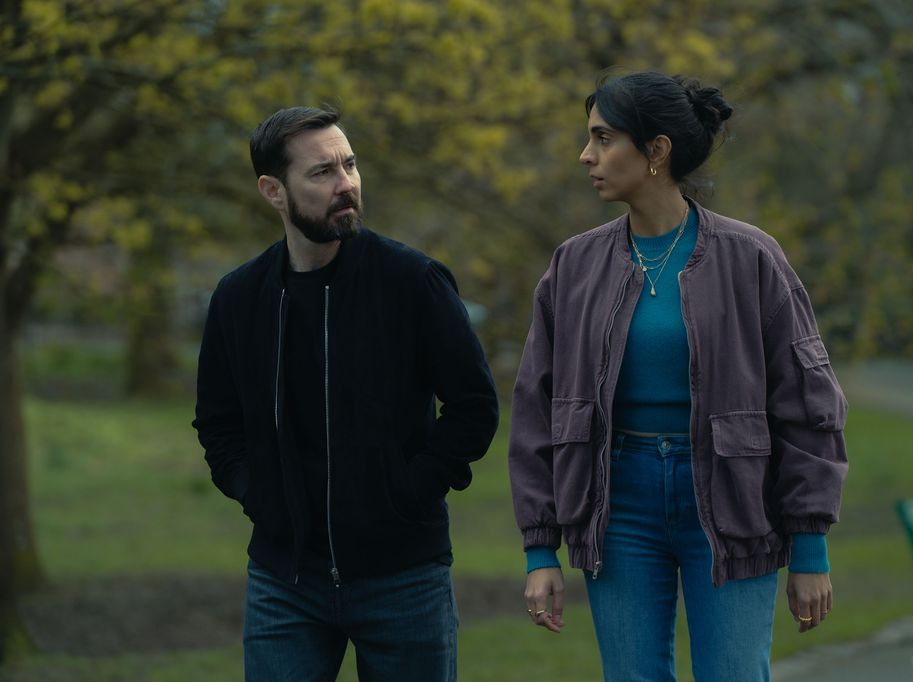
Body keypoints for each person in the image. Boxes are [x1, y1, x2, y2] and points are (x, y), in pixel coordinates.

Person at [508, 72, 849, 681]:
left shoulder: (753, 259)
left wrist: (810, 546)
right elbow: (535, 409)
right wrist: (541, 548)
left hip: (733, 499)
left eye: (603, 138)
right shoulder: (573, 266)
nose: (586, 155)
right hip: (618, 505)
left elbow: (809, 405)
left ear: (656, 152)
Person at [193, 106, 499, 681]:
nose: (345, 184)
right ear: (272, 190)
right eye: (322, 173)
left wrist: (409, 493)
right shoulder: (238, 298)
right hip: (284, 582)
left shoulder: (413, 281)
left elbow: (474, 407)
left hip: (403, 576)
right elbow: (218, 423)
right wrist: (257, 494)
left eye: (350, 165)